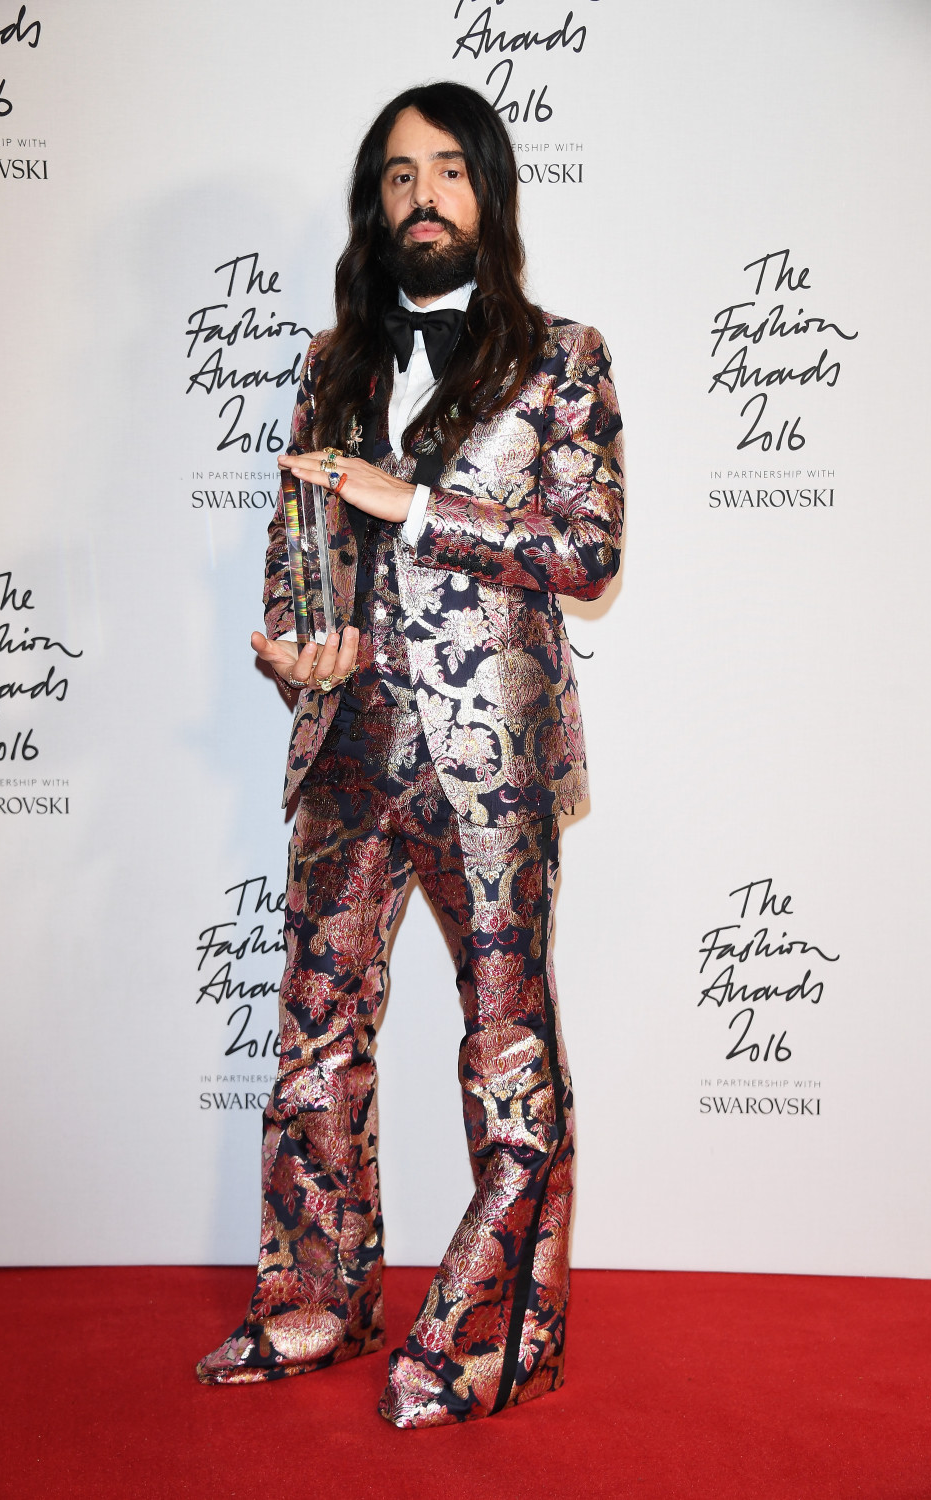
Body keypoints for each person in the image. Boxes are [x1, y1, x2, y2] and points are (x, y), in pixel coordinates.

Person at [197, 80, 624, 1428]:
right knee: (317, 1043)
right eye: (396, 176)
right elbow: (296, 561)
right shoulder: (331, 365)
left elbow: (590, 554)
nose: (421, 195)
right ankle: (315, 1301)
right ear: (373, 205)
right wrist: (297, 652)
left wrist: (423, 508)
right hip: (349, 754)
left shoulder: (566, 354)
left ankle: (502, 1337)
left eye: (446, 170)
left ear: (487, 193)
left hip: (493, 764)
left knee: (505, 1046)